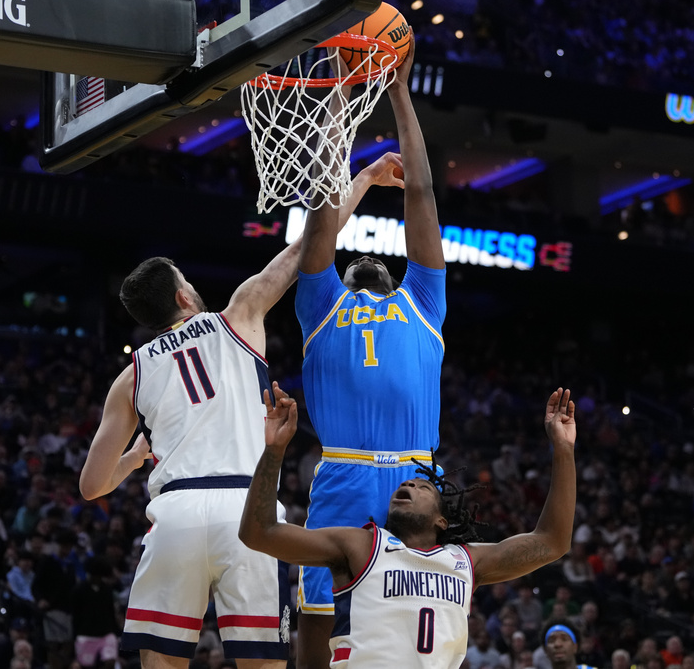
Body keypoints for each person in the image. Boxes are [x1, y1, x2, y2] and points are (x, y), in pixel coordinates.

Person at [78, 150, 405, 669]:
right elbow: (311, 243)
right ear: (183, 296)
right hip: (248, 512)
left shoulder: (130, 376)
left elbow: (92, 486)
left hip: (176, 513)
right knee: (263, 663)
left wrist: (136, 459)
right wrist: (364, 177)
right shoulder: (239, 314)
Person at [293, 36, 445, 669]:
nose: (365, 259)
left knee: (416, 629)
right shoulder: (320, 302)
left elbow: (421, 194)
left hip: (415, 479)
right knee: (318, 627)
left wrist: (401, 94)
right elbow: (322, 208)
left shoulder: (424, 301)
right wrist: (336, 96)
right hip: (346, 473)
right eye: (355, 258)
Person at [240, 383, 577, 668]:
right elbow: (259, 533)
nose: (409, 484)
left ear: (441, 519)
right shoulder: (361, 546)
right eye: (407, 484)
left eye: (423, 487)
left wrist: (563, 449)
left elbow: (553, 542)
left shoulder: (465, 561)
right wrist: (274, 451)